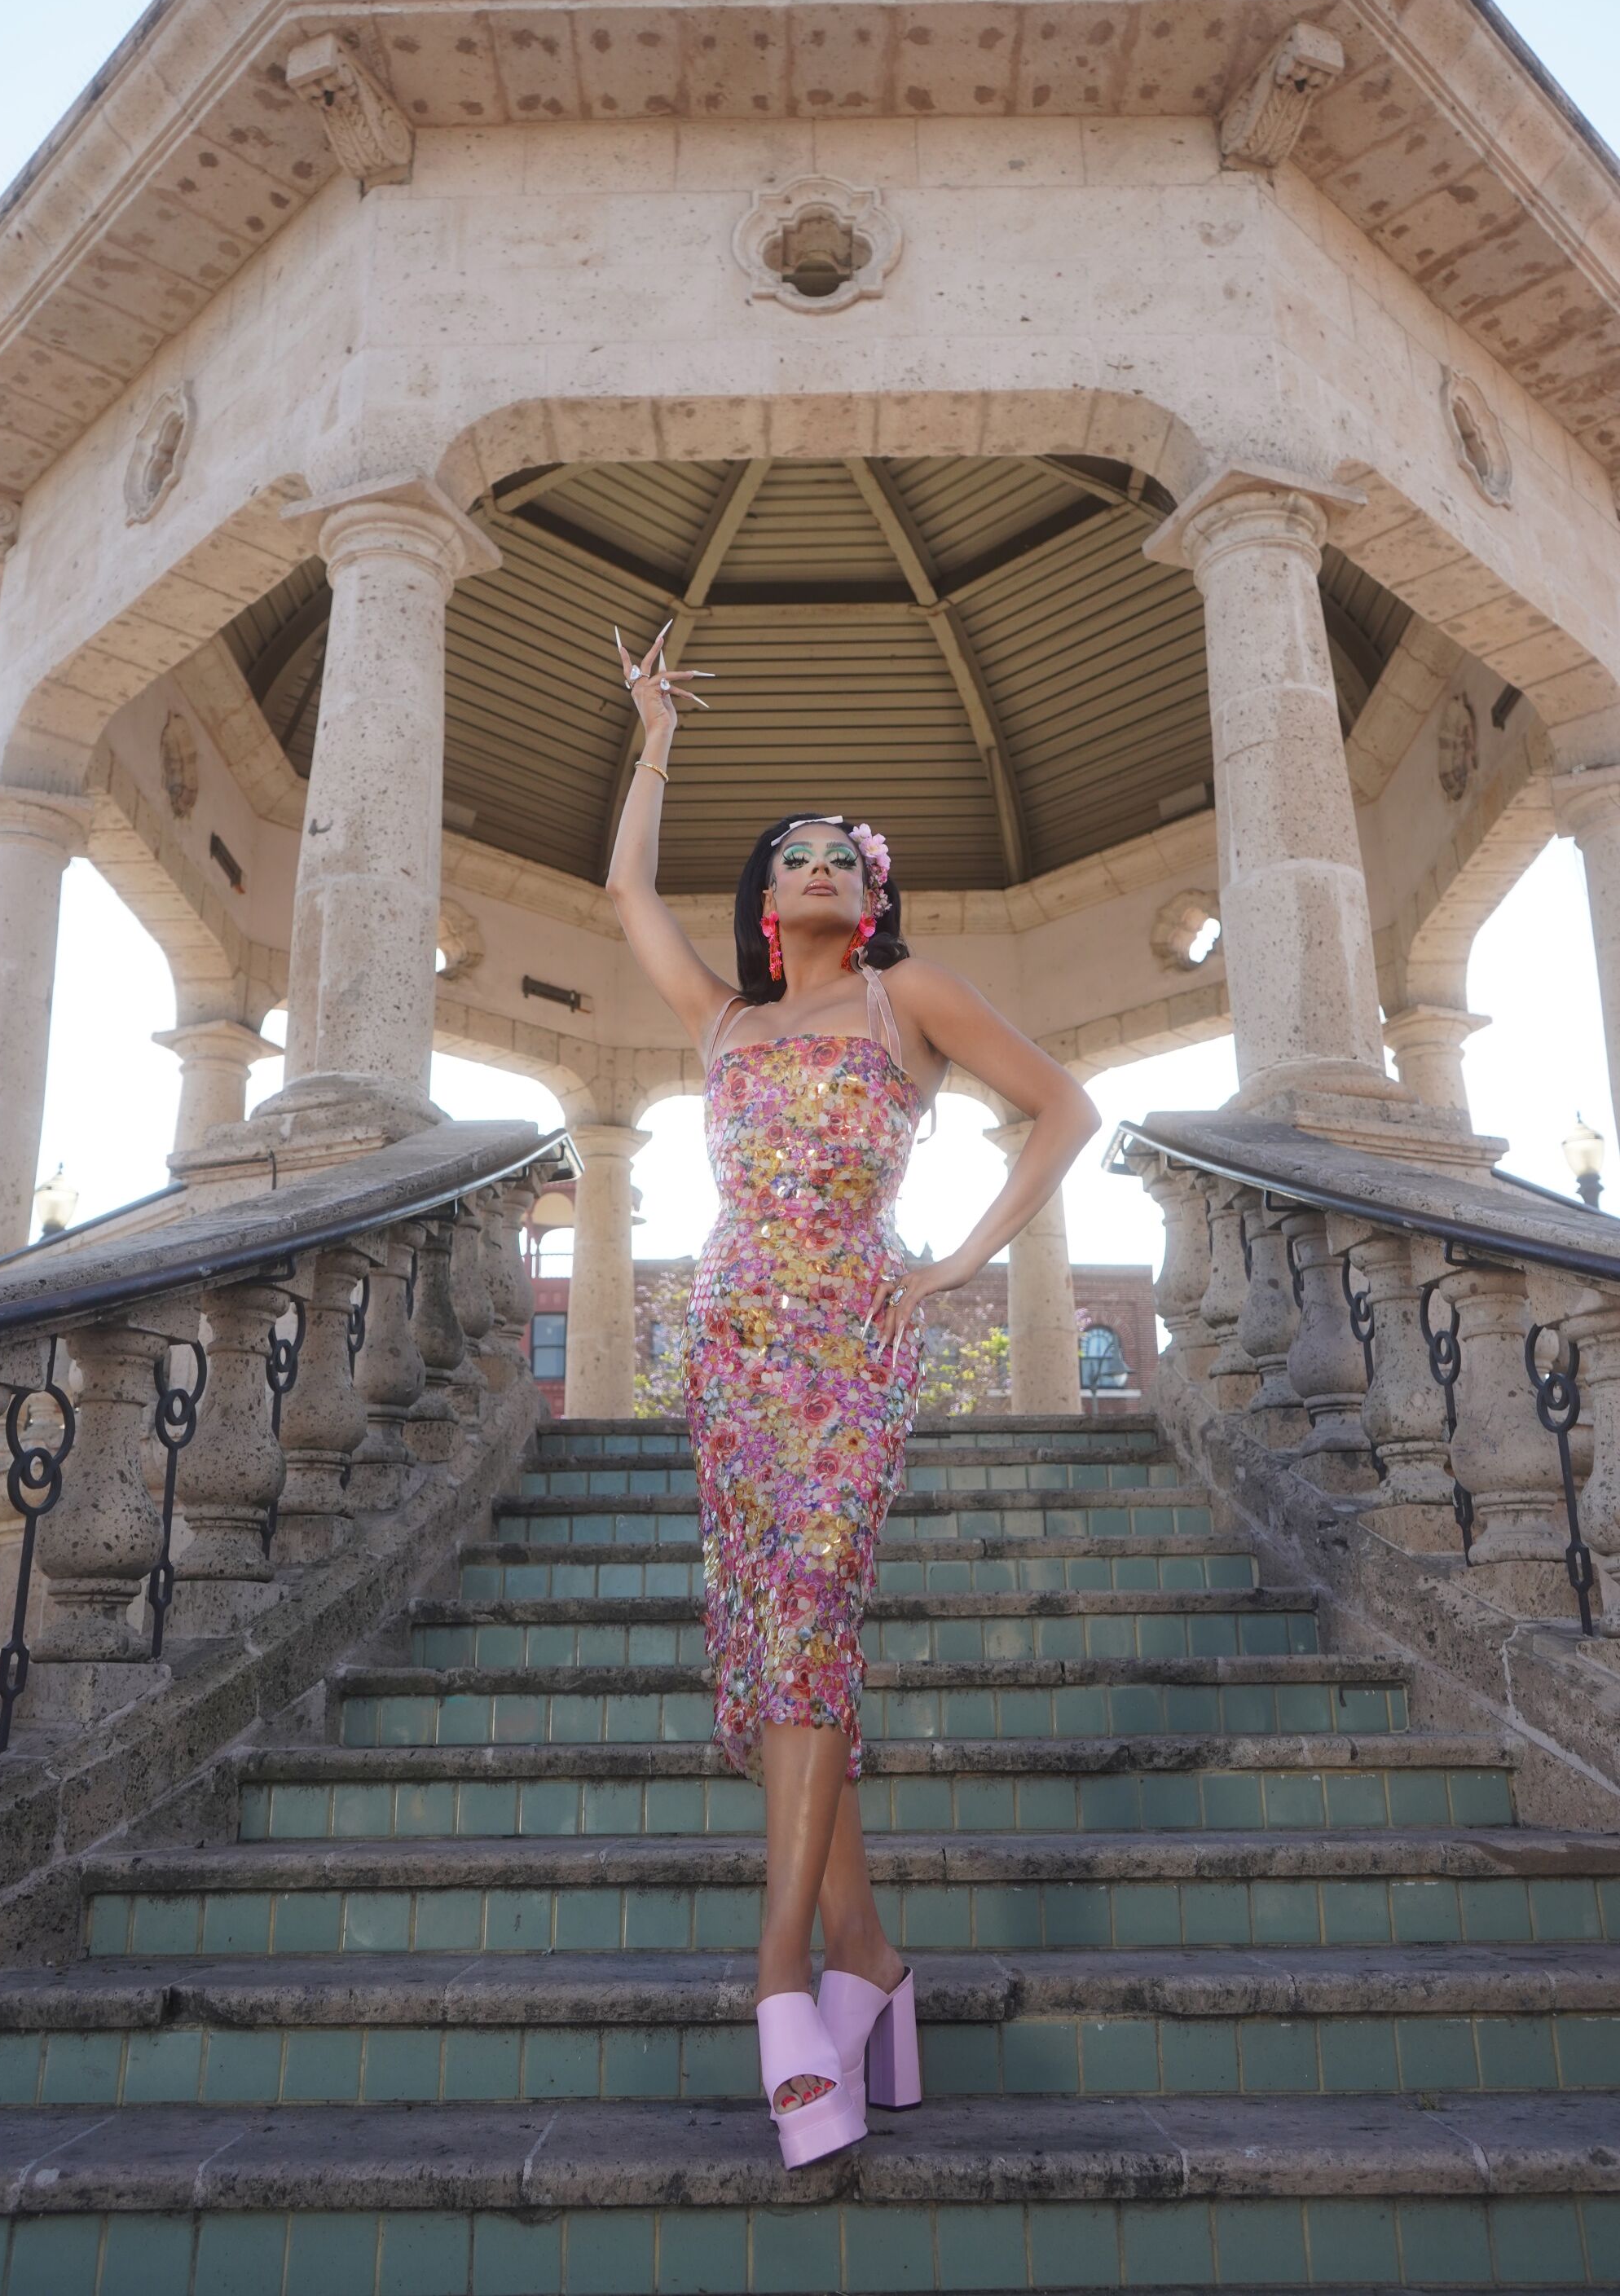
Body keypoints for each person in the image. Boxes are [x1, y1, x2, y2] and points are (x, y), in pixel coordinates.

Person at [605, 621, 1098, 2167]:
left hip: (855, 1334)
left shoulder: (911, 1001)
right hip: (735, 1341)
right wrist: (655, 738)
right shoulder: (727, 1021)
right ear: (764, 904)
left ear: (870, 896)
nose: (818, 864)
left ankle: (777, 1990)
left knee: (813, 1603)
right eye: (794, 854)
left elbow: (1066, 1111)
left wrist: (950, 1267)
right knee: (770, 1656)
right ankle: (874, 1966)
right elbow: (622, 892)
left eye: (842, 854)